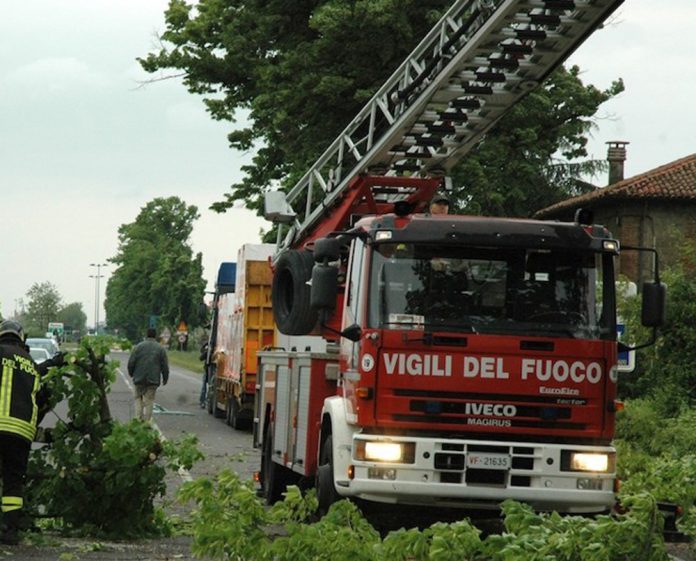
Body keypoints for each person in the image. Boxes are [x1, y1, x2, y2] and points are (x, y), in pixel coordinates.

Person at [0, 320, 62, 545]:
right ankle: (10, 531)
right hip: (20, 432)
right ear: (21, 338)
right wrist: (56, 362)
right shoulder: (29, 363)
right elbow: (42, 397)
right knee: (13, 483)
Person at [128, 328, 169, 422]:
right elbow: (164, 366)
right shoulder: (160, 349)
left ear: (146, 335)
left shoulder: (138, 347)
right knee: (149, 400)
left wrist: (131, 373)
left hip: (138, 378)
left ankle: (138, 420)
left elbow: (131, 362)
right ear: (155, 336)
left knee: (138, 398)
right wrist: (165, 378)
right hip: (153, 379)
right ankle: (147, 422)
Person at [198, 340, 209, 408]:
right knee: (204, 386)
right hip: (208, 369)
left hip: (210, 369)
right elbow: (201, 357)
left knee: (204, 386)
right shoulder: (208, 346)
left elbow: (201, 357)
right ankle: (202, 401)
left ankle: (203, 401)